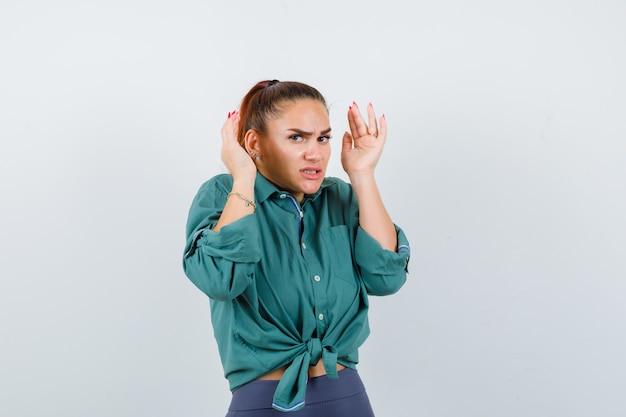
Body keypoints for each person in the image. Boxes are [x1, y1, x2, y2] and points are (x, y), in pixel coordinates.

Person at [182, 80, 410, 416]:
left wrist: (362, 175)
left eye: (323, 138)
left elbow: (386, 278)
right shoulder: (222, 194)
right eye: (296, 137)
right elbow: (221, 281)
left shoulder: (340, 197)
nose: (315, 153)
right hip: (265, 399)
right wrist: (244, 176)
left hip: (346, 396)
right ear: (254, 142)